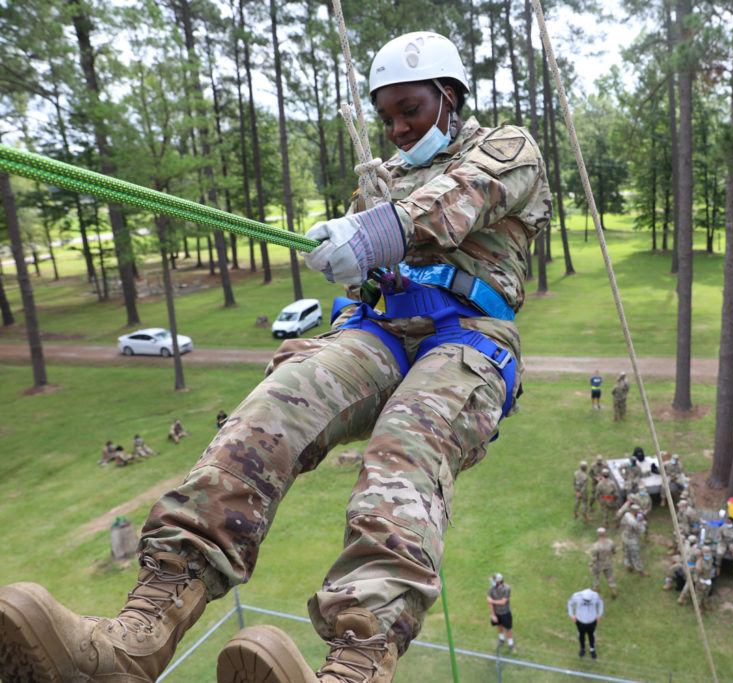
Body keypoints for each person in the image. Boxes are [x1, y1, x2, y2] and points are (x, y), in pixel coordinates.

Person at [0, 30, 551, 683]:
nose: (399, 128)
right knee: (275, 408)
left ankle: (358, 661)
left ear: (450, 97)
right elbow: (365, 280)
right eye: (388, 117)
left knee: (404, 454)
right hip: (379, 329)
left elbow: (463, 200)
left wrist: (373, 231)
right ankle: (143, 628)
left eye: (411, 110)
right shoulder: (382, 185)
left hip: (468, 337)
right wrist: (349, 274)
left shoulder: (506, 149)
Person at [567, 587, 603, 659]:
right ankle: (582, 649)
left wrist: (599, 614)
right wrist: (571, 615)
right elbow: (570, 603)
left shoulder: (595, 596)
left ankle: (592, 649)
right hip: (580, 621)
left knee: (591, 635)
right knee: (581, 635)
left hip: (592, 621)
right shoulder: (576, 596)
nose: (587, 601)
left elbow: (601, 603)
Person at [487, 573, 515, 653]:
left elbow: (503, 602)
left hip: (505, 612)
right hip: (496, 613)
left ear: (499, 581)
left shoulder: (506, 588)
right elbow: (490, 603)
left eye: (494, 581)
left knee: (508, 629)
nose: (492, 582)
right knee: (499, 625)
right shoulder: (491, 588)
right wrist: (493, 615)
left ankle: (511, 644)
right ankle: (501, 639)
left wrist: (492, 600)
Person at [617, 503, 648, 577]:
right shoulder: (633, 522)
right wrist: (643, 522)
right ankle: (640, 571)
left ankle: (628, 567)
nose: (638, 513)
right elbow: (641, 530)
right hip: (632, 540)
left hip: (624, 536)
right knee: (636, 556)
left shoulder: (627, 514)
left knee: (626, 553)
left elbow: (622, 522)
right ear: (634, 511)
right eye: (637, 511)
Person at [589, 528, 617, 599]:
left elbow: (594, 558)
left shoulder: (596, 546)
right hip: (608, 563)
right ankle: (613, 590)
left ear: (598, 535)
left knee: (596, 575)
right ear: (605, 534)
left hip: (598, 564)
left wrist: (591, 565)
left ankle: (596, 588)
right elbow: (614, 552)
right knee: (609, 577)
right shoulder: (611, 542)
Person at [692, 545, 716, 613]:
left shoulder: (710, 559)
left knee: (706, 593)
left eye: (708, 553)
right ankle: (698, 607)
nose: (708, 555)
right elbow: (696, 575)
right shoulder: (699, 563)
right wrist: (698, 584)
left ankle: (705, 603)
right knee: (699, 595)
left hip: (708, 579)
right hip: (701, 580)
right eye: (706, 553)